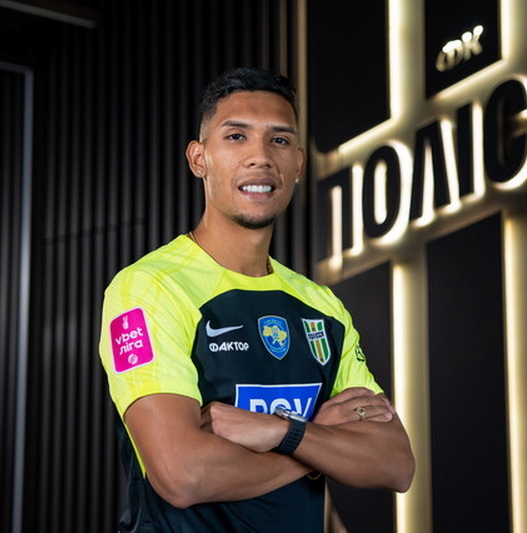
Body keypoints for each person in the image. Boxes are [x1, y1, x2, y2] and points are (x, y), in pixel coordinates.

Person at [98, 66, 415, 532]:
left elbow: (395, 462)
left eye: (279, 140)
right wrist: (313, 442)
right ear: (199, 159)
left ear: (298, 164)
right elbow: (182, 475)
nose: (260, 157)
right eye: (236, 137)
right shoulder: (149, 287)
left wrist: (278, 430)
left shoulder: (321, 306)